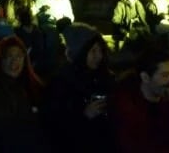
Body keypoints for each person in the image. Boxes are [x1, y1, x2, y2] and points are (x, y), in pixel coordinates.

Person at [41, 23, 114, 152]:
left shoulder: (103, 77)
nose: (99, 56)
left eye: (100, 50)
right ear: (79, 52)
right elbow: (54, 127)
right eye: (93, 51)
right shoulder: (61, 82)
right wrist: (84, 116)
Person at [0, 35, 44, 113]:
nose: (14, 61)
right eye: (9, 56)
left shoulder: (34, 86)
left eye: (19, 56)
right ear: (0, 59)